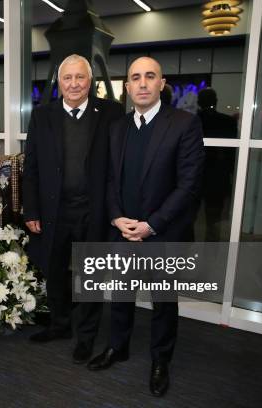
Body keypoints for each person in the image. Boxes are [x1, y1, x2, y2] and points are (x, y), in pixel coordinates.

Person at [87, 57, 204, 397]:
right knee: (120, 294)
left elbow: (189, 185)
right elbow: (109, 179)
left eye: (149, 77)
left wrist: (152, 225)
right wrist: (115, 216)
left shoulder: (184, 124)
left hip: (163, 233)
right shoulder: (117, 128)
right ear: (127, 87)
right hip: (123, 229)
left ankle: (160, 361)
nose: (141, 83)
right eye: (135, 77)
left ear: (161, 83)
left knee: (163, 302)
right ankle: (118, 347)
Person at [22, 54, 123, 363]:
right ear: (60, 82)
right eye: (68, 78)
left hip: (94, 212)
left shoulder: (111, 112)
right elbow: (33, 166)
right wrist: (32, 211)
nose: (74, 83)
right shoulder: (43, 115)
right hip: (54, 212)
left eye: (80, 77)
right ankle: (60, 325)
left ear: (89, 82)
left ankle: (87, 336)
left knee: (88, 275)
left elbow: (118, 166)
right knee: (54, 270)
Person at [197, 87, 237, 241]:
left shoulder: (191, 120)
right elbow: (231, 153)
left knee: (188, 217)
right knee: (214, 219)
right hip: (218, 175)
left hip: (196, 175)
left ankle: (185, 253)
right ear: (216, 101)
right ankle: (211, 252)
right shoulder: (228, 121)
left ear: (199, 102)